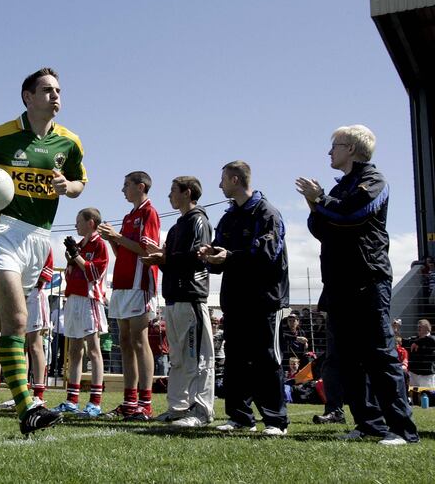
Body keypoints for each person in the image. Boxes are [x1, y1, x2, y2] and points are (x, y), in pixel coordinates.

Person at [0, 67, 87, 435]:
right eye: (47, 90)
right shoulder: (0, 135)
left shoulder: (69, 143)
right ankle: (28, 408)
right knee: (18, 322)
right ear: (27, 97)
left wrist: (67, 186)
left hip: (40, 238)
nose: (56, 96)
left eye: (58, 90)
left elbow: (79, 184)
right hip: (3, 232)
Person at [296, 124, 418, 445]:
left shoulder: (374, 180)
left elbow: (352, 215)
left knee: (380, 355)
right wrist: (315, 203)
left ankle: (402, 430)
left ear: (351, 147)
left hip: (368, 280)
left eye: (334, 145)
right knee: (346, 359)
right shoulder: (339, 188)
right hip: (338, 282)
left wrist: (320, 198)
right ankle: (369, 424)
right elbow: (322, 227)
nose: (329, 152)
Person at [200, 160, 290, 436]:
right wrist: (210, 256)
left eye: (223, 180)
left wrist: (229, 256)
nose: (219, 185)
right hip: (235, 299)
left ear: (236, 180)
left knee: (266, 359)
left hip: (264, 299)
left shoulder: (267, 213)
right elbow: (222, 261)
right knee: (236, 359)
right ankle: (240, 416)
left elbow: (267, 255)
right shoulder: (228, 217)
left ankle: (275, 420)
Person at [142, 175, 215, 428]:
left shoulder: (198, 221)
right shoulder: (175, 227)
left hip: (191, 297)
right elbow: (172, 264)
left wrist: (164, 258)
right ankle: (178, 407)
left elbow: (197, 257)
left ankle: (201, 409)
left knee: (196, 357)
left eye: (173, 190)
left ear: (187, 192)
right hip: (173, 298)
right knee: (177, 358)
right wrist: (160, 259)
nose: (169, 196)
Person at [99, 171, 160, 421]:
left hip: (139, 284)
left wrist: (117, 237)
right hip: (123, 284)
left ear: (141, 186)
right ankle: (129, 400)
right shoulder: (128, 216)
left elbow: (147, 249)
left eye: (126, 185)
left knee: (138, 340)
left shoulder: (149, 212)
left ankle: (145, 403)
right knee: (124, 341)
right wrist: (113, 240)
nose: (122, 189)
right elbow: (123, 249)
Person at [54, 207, 109, 418]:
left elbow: (94, 273)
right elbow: (71, 274)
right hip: (73, 299)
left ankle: (95, 402)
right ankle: (71, 400)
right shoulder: (79, 245)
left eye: (79, 221)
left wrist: (77, 258)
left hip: (89, 300)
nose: (75, 225)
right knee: (74, 351)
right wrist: (72, 258)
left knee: (93, 350)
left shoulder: (99, 245)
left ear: (91, 223)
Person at [25, 250, 53, 403]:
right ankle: (22, 392)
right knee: (21, 345)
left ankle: (38, 393)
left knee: (36, 346)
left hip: (35, 294)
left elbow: (45, 276)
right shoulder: (21, 242)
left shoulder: (43, 244)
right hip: (21, 294)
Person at [406, 319, 435, 388]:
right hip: (413, 374)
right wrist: (395, 330)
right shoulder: (414, 339)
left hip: (427, 376)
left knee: (427, 395)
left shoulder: (432, 339)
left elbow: (430, 339)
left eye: (420, 326)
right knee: (414, 396)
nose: (418, 328)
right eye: (418, 326)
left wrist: (417, 342)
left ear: (427, 328)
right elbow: (400, 341)